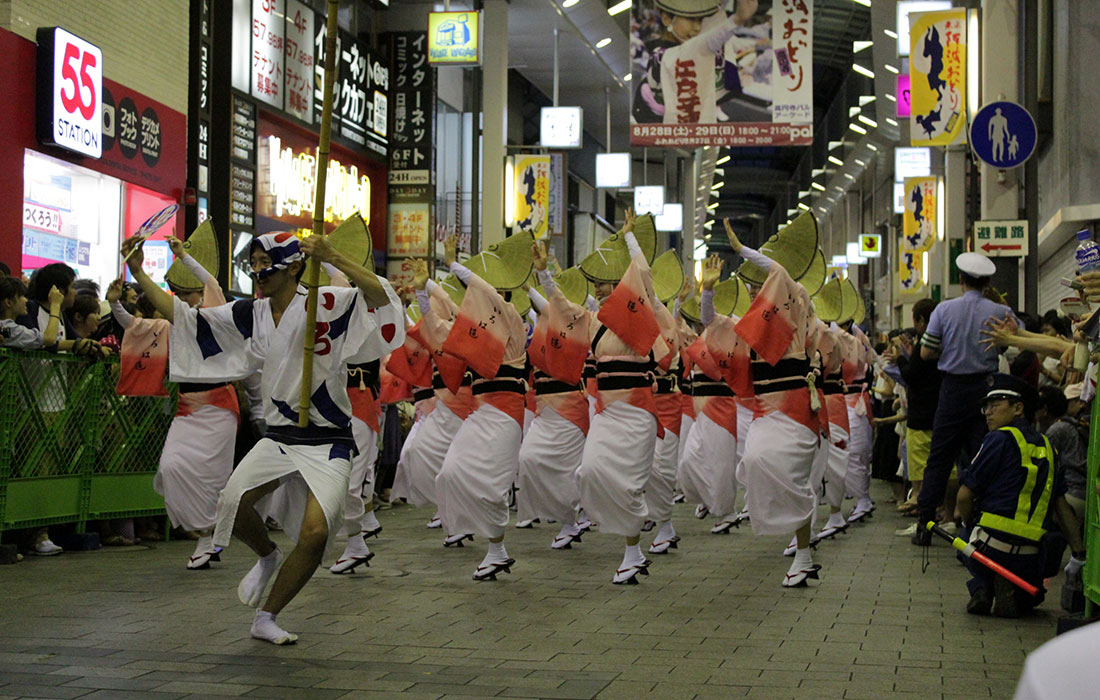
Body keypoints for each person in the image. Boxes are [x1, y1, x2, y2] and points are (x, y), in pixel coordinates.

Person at [121, 229, 402, 645]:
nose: (256, 272)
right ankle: (268, 557)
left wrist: (334, 257)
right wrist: (139, 274)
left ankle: (267, 616)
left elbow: (382, 297)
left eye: (262, 263)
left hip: (329, 438)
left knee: (316, 534)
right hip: (280, 434)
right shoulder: (251, 314)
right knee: (231, 504)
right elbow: (186, 319)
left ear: (293, 267)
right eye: (251, 264)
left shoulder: (326, 301)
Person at [957, 374, 1084, 617]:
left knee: (966, 534)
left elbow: (964, 495)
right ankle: (1016, 590)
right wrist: (1078, 553)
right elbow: (1061, 505)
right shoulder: (1049, 447)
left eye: (995, 405)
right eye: (986, 406)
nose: (987, 412)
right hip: (1032, 556)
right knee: (1031, 595)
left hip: (990, 547)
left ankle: (983, 585)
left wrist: (967, 523)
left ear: (1018, 408)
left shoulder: (998, 438)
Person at [913, 252, 1017, 546]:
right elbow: (1018, 338)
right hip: (987, 390)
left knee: (940, 457)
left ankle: (925, 524)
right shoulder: (998, 311)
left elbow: (926, 352)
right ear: (987, 283)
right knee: (981, 456)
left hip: (952, 390)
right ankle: (976, 526)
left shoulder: (944, 311)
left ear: (960, 281)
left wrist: (950, 349)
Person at [894, 299, 942, 531]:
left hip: (921, 415)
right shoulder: (943, 340)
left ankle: (924, 521)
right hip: (938, 413)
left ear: (921, 320)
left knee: (920, 470)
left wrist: (901, 360)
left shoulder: (926, 341)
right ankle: (942, 517)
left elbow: (914, 375)